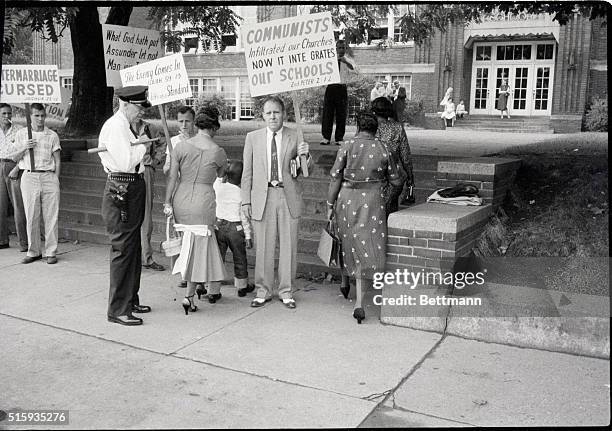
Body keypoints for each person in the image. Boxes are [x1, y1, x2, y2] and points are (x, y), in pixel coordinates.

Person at [326, 112, 405, 324]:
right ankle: (359, 302)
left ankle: (344, 282)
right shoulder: (384, 148)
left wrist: (329, 204)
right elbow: (397, 180)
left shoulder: (347, 145)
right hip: (372, 202)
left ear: (357, 127)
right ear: (375, 129)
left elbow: (335, 178)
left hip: (347, 199)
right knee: (366, 246)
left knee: (346, 240)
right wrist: (385, 192)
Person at [241, 96, 312, 309]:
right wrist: (245, 201)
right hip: (262, 196)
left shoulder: (295, 136)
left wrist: (305, 157)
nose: (273, 116)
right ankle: (262, 290)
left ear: (284, 114)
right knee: (263, 245)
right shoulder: (252, 138)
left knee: (288, 245)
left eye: (277, 112)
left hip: (286, 194)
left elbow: (305, 172)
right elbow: (247, 172)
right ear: (262, 115)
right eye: (268, 113)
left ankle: (286, 290)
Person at [164, 106, 228, 314]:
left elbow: (173, 177)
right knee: (198, 250)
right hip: (203, 200)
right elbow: (221, 174)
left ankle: (197, 287)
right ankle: (189, 295)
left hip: (181, 198)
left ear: (197, 124)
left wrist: (167, 202)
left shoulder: (181, 148)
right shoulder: (218, 151)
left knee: (188, 246)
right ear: (214, 127)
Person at [98, 86, 153, 326]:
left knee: (132, 247)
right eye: (139, 107)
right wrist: (142, 144)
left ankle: (130, 299)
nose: (142, 112)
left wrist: (138, 142)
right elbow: (124, 161)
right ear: (125, 104)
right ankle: (118, 309)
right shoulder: (115, 126)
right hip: (122, 187)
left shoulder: (125, 126)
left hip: (131, 186)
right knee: (123, 248)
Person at [13, 103, 61, 265]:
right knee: (32, 215)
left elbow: (57, 159)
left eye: (42, 116)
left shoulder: (52, 135)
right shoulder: (22, 134)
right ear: (31, 116)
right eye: (36, 116)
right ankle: (33, 251)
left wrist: (56, 178)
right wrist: (25, 147)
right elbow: (14, 157)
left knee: (51, 215)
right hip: (29, 175)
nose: (40, 119)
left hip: (48, 175)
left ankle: (51, 251)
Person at [164, 105, 197, 289]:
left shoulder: (200, 140)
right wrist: (169, 168)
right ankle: (184, 271)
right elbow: (167, 169)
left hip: (197, 191)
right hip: (179, 191)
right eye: (181, 121)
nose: (184, 125)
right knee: (182, 233)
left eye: (187, 121)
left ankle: (196, 271)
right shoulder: (174, 142)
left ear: (194, 122)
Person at [213, 160, 255, 297]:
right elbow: (244, 218)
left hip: (219, 226)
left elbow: (217, 180)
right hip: (236, 229)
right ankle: (242, 287)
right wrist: (248, 236)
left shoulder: (219, 187)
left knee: (217, 259)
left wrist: (222, 172)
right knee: (240, 258)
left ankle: (212, 290)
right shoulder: (242, 194)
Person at [132, 111, 166, 272]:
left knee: (146, 214)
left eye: (141, 108)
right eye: (135, 107)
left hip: (145, 171)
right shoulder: (122, 127)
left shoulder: (149, 128)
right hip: (127, 171)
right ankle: (130, 258)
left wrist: (156, 160)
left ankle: (146, 257)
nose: (138, 112)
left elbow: (162, 143)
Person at [371, 97, 414, 216]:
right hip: (393, 177)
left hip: (371, 177)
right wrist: (410, 177)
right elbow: (405, 156)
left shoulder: (368, 127)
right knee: (391, 210)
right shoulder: (397, 127)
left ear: (373, 111)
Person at [0, 103, 28, 252]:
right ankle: (2, 240)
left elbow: (26, 152)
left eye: (9, 113)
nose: (7, 116)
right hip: (0, 164)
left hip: (14, 167)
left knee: (18, 205)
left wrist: (17, 168)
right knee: (0, 205)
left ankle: (24, 242)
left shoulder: (19, 130)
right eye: (4, 113)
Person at [320, 40, 358, 146]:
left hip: (341, 88)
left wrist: (345, 61)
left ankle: (339, 138)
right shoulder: (330, 59)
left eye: (343, 48)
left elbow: (354, 69)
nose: (341, 49)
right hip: (331, 87)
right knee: (328, 113)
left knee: (341, 113)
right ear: (336, 48)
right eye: (339, 47)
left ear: (345, 49)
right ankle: (326, 137)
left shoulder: (349, 59)